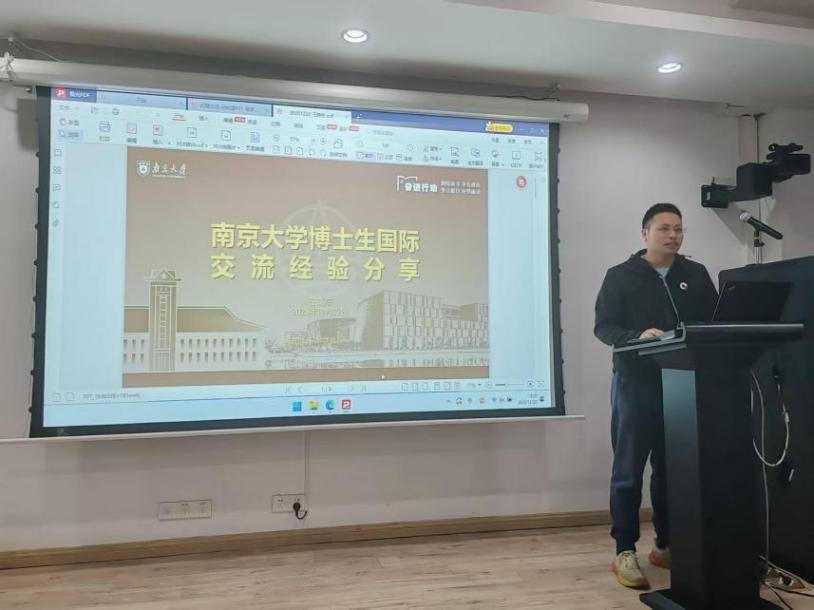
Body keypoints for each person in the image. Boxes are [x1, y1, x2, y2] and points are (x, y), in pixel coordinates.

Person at [594, 203, 718, 589]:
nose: (673, 236)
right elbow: (604, 327)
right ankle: (624, 550)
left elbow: (713, 322)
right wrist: (636, 337)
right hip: (636, 383)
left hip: (682, 383)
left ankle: (666, 545)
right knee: (629, 470)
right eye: (665, 228)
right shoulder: (621, 276)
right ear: (645, 233)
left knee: (671, 469)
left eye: (679, 229)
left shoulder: (695, 274)